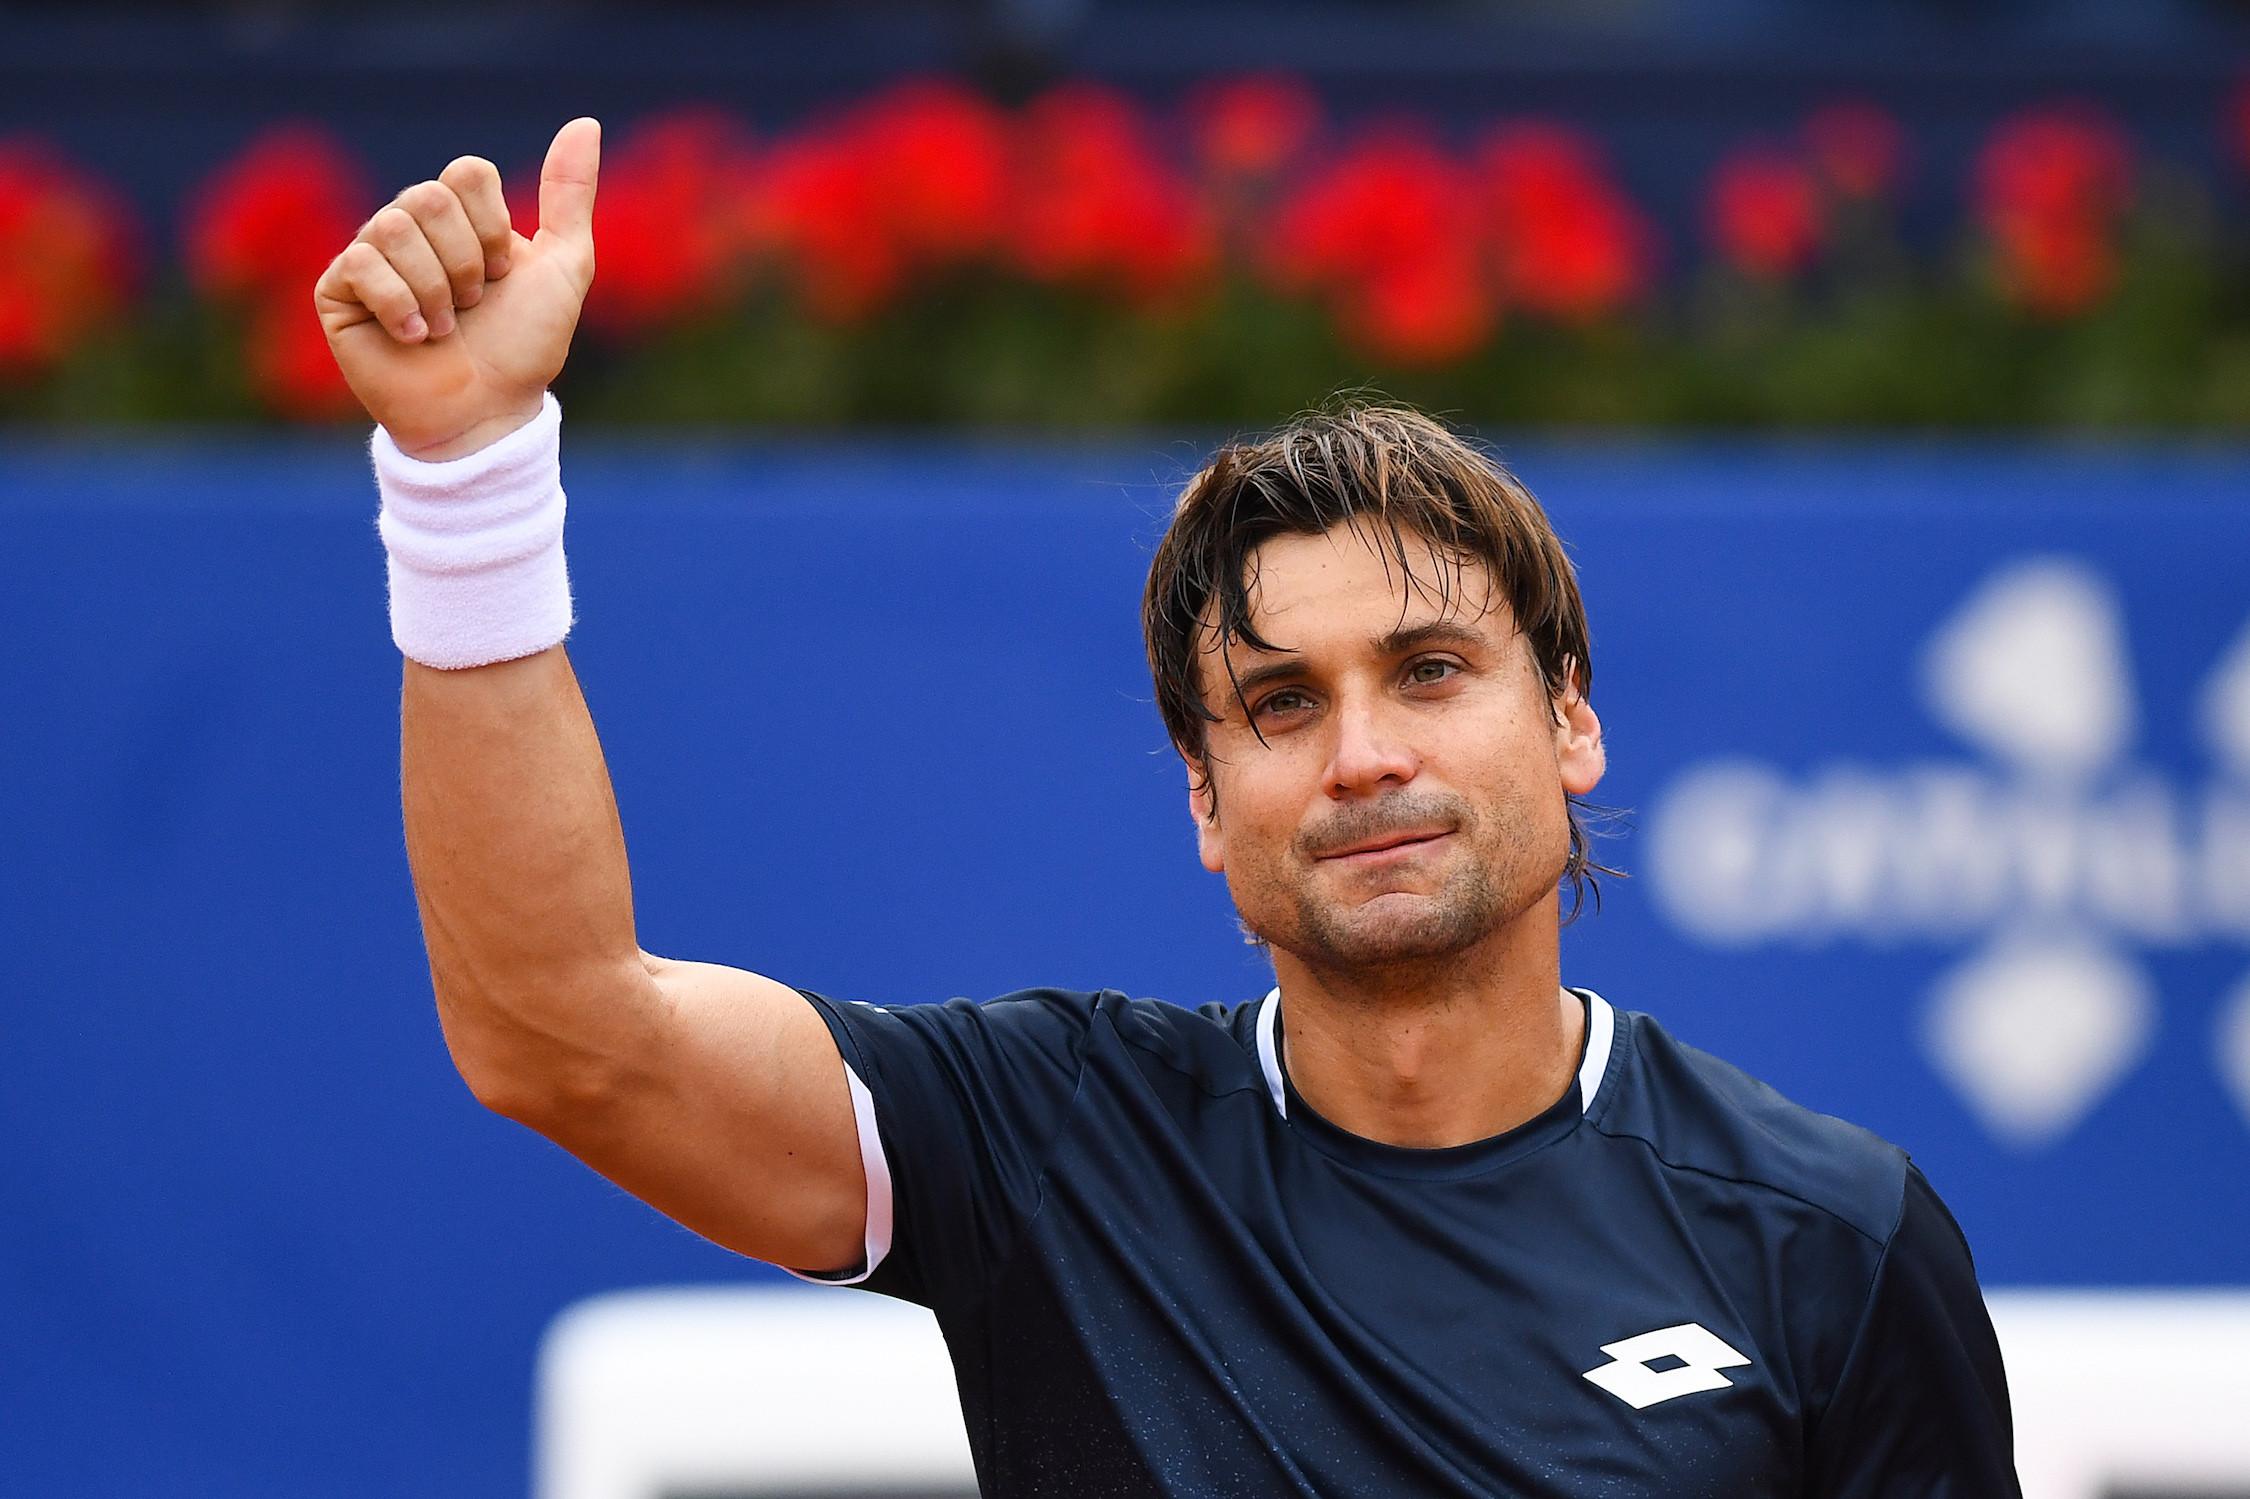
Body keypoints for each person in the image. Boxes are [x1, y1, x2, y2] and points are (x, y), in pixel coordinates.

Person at [318, 119, 2020, 1497]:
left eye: (1429, 671)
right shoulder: (1051, 1143)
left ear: (1568, 724)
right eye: (1281, 706)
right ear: (1208, 804)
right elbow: (555, 1034)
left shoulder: (1831, 1239)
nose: (1362, 757)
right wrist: (468, 475)